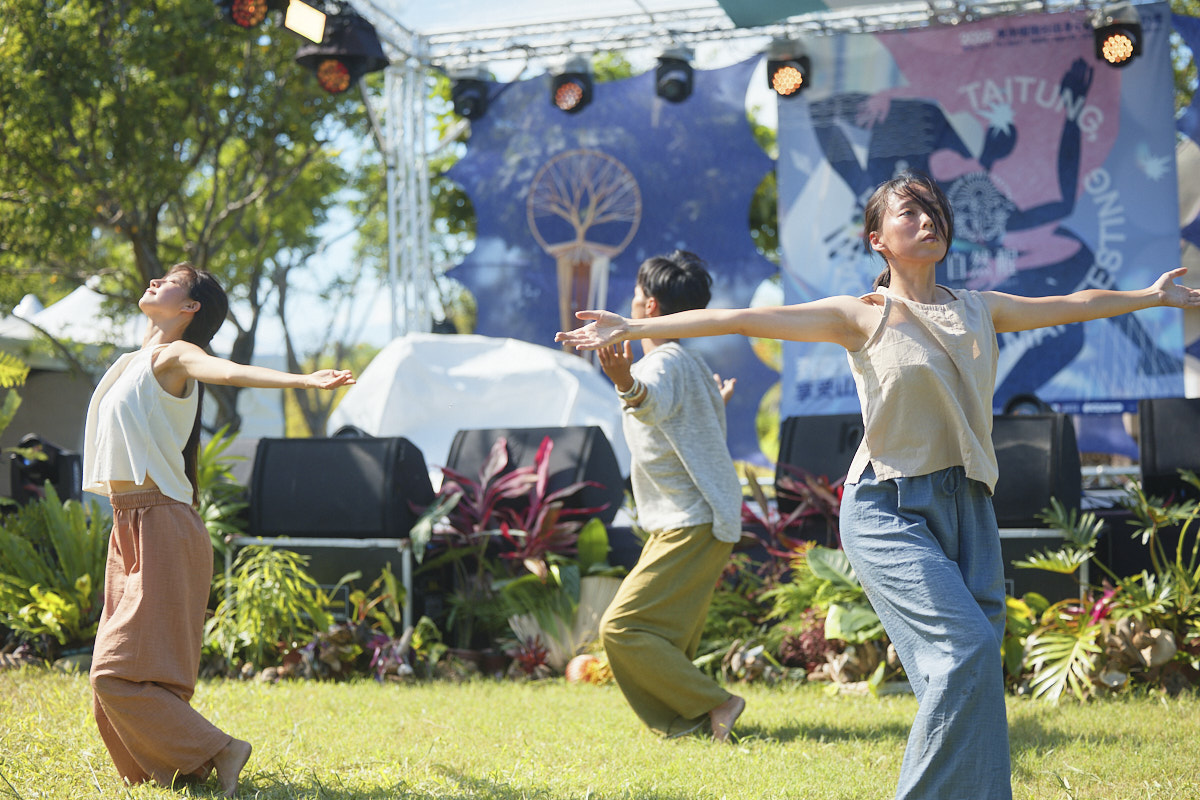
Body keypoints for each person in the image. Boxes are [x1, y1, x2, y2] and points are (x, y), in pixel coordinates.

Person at [558, 171, 1200, 799]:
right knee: (963, 649)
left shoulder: (979, 308)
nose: (927, 220)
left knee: (971, 664)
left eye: (933, 210)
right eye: (909, 213)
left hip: (968, 505)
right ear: (877, 240)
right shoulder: (861, 316)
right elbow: (745, 318)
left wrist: (1150, 296)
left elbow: (1073, 304)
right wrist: (634, 329)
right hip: (888, 507)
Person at [82, 262, 355, 797]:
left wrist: (302, 380)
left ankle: (222, 749)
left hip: (161, 523)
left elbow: (226, 371)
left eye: (170, 282)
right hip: (129, 522)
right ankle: (176, 773)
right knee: (118, 679)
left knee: (114, 674)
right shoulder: (132, 362)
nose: (155, 282)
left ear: (191, 308)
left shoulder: (176, 355)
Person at [591, 250, 746, 742]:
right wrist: (711, 403)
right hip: (695, 517)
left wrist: (624, 381)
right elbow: (674, 415)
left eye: (637, 295)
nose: (632, 303)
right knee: (667, 633)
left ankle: (717, 703)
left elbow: (649, 400)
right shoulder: (689, 363)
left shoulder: (662, 364)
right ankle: (693, 720)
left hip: (691, 519)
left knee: (622, 627)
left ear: (651, 307)